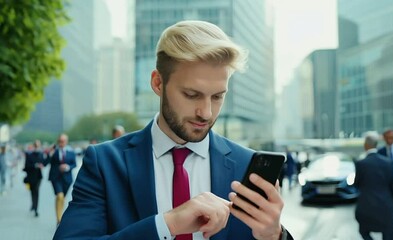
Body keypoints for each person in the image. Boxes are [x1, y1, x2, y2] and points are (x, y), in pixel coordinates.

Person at [53, 20, 293, 240]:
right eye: (191, 95)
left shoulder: (246, 166)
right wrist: (169, 224)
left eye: (218, 97)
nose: (206, 112)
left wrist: (276, 236)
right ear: (158, 83)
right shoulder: (105, 163)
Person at [354, 131, 393, 240]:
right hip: (386, 207)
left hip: (367, 207)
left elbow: (356, 184)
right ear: (376, 145)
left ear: (365, 145)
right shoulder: (388, 162)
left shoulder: (361, 163)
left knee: (363, 231)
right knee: (388, 234)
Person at [45, 133, 76, 224]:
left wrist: (67, 167)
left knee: (62, 198)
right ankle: (59, 219)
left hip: (67, 179)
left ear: (66, 142)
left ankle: (59, 215)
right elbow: (45, 163)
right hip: (55, 177)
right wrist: (49, 154)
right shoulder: (54, 151)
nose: (60, 143)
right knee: (60, 196)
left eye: (62, 141)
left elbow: (74, 164)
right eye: (59, 141)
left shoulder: (71, 152)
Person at [23, 140, 44, 217]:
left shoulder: (41, 154)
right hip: (31, 177)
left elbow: (44, 162)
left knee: (36, 191)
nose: (37, 147)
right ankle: (33, 204)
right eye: (36, 145)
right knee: (32, 191)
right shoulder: (29, 155)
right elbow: (26, 166)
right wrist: (35, 165)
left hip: (38, 176)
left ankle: (35, 208)